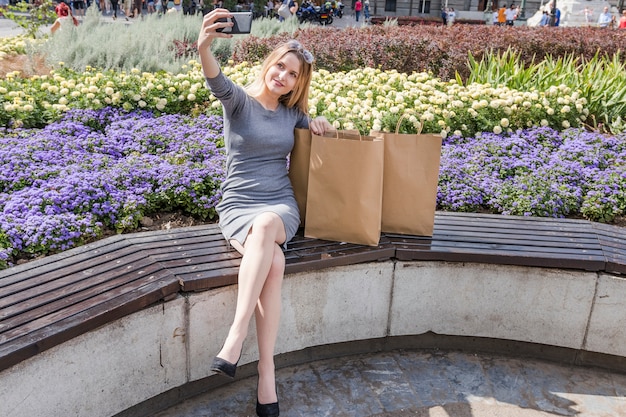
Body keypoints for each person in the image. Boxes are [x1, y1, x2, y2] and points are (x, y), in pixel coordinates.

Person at [197, 9, 332, 417]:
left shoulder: (294, 115)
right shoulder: (239, 102)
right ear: (268, 65)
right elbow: (214, 78)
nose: (283, 77)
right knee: (273, 260)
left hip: (279, 205)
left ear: (297, 83)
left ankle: (235, 339)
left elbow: (317, 132)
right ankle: (267, 375)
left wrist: (321, 121)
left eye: (293, 75)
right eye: (280, 67)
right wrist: (204, 45)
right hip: (238, 206)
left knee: (269, 225)